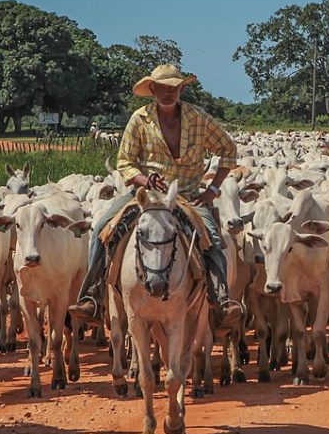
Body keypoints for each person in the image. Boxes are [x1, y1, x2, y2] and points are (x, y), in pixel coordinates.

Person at [68, 64, 243, 328]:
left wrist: (213, 190)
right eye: (161, 88)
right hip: (145, 196)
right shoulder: (139, 119)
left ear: (182, 89)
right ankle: (92, 297)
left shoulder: (199, 118)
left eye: (172, 88)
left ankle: (220, 301)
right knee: (102, 229)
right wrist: (144, 179)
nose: (167, 93)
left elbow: (228, 150)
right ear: (152, 90)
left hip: (186, 195)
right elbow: (125, 162)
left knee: (213, 239)